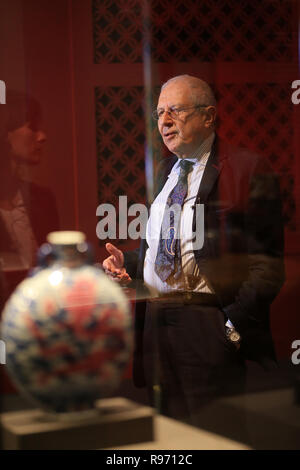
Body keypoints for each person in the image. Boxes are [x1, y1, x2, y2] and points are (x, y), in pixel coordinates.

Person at [102, 75, 285, 427]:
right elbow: (172, 249)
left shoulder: (244, 169)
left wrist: (230, 328)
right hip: (156, 324)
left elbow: (269, 266)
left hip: (206, 325)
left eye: (175, 110)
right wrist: (131, 262)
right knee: (168, 433)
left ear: (208, 116)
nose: (164, 121)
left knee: (214, 435)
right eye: (159, 113)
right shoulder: (166, 174)